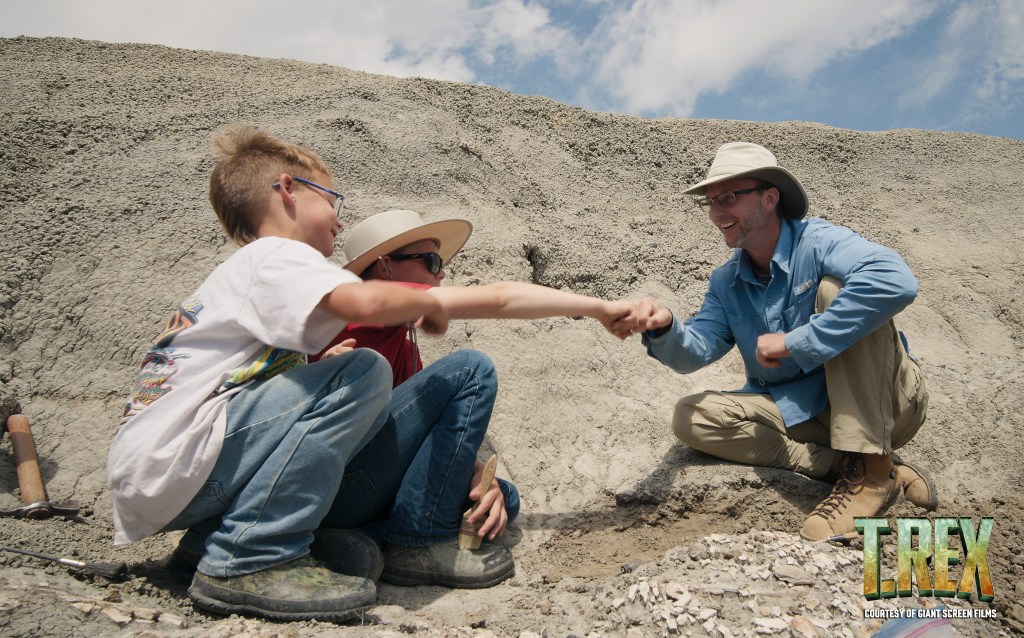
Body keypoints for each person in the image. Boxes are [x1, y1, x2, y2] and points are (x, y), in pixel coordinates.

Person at [108, 125, 452, 622]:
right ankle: (251, 557)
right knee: (363, 372)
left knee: (351, 375)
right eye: (332, 197)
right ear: (288, 189)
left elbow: (249, 393)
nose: (337, 216)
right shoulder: (277, 257)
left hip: (161, 473)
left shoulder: (253, 273)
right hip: (174, 462)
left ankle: (208, 545)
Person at [627, 142, 938, 542]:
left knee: (836, 290)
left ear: (770, 197)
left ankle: (873, 475)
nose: (717, 212)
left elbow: (895, 281)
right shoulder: (726, 281)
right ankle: (848, 464)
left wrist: (796, 342)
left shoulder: (819, 241)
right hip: (805, 417)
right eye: (710, 202)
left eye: (729, 197)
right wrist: (665, 326)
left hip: (886, 403)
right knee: (692, 416)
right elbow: (696, 351)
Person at [308, 209, 639, 576]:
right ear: (386, 268)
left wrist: (477, 475)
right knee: (470, 370)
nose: (442, 273)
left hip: (367, 487)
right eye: (431, 261)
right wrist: (598, 308)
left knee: (500, 499)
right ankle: (414, 544)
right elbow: (502, 300)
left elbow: (417, 439)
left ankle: (356, 540)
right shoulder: (361, 306)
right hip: (336, 483)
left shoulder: (403, 345)